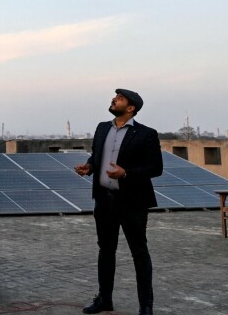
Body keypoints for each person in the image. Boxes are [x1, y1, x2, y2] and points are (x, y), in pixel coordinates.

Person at [74, 89, 163, 315]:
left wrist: (126, 173)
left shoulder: (146, 134)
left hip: (133, 202)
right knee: (106, 251)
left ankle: (145, 305)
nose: (114, 100)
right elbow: (97, 157)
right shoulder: (102, 128)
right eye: (115, 97)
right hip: (104, 200)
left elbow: (156, 168)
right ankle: (104, 299)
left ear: (131, 107)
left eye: (120, 98)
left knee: (139, 252)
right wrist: (90, 167)